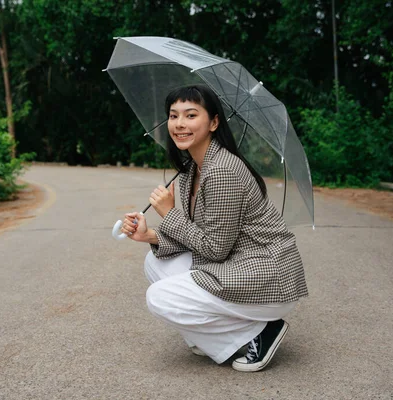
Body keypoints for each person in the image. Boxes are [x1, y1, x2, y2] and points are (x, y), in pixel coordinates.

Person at [120, 85, 308, 372]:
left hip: (265, 277)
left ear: (214, 122)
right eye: (173, 116)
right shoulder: (192, 170)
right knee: (155, 261)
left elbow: (215, 249)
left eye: (191, 115)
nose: (180, 124)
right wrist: (151, 235)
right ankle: (209, 337)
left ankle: (261, 332)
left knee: (159, 298)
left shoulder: (221, 171)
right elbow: (203, 236)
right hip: (236, 263)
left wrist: (169, 214)